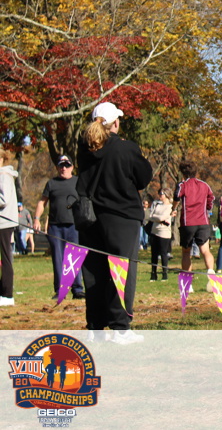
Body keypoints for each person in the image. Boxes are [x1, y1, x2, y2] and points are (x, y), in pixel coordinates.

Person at [76, 102, 153, 344]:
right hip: (122, 217)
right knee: (121, 272)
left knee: (94, 273)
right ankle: (120, 328)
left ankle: (95, 327)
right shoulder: (125, 148)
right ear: (116, 123)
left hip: (90, 218)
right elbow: (143, 178)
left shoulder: (84, 149)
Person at [34, 155, 85, 300]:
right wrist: (36, 218)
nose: (64, 168)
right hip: (55, 227)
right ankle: (60, 290)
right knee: (58, 259)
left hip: (74, 226)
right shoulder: (51, 183)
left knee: (74, 257)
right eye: (61, 165)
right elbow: (42, 202)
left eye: (67, 165)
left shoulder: (78, 182)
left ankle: (77, 289)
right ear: (57, 167)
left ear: (72, 167)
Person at [175, 161, 217, 285]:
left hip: (188, 222)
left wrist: (173, 208)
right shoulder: (204, 185)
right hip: (203, 222)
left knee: (186, 252)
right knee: (205, 250)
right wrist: (207, 208)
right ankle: (211, 273)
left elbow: (176, 197)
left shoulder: (183, 185)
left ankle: (188, 282)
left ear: (182, 172)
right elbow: (211, 198)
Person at [0, 147, 19, 306]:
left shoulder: (4, 175)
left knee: (6, 257)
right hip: (3, 222)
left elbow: (3, 200)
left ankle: (7, 295)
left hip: (4, 222)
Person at [148, 188, 173, 281]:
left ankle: (164, 274)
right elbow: (150, 216)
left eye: (161, 193)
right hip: (154, 231)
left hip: (164, 232)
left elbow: (162, 217)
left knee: (163, 253)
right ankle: (153, 274)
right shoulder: (157, 205)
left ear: (167, 195)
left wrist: (157, 218)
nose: (160, 195)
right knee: (154, 254)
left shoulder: (170, 207)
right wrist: (158, 219)